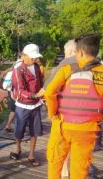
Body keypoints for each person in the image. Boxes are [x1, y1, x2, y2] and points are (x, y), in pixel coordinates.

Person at [45, 34, 103, 178]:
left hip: (62, 125)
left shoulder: (67, 69)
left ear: (81, 52)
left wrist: (52, 114)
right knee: (80, 168)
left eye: (76, 52)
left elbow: (49, 92)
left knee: (55, 163)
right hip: (87, 128)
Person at [43, 39, 77, 178]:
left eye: (65, 52)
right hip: (86, 118)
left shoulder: (65, 66)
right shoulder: (95, 66)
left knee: (58, 149)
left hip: (64, 115)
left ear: (70, 52)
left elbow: (48, 91)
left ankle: (63, 170)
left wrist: (51, 113)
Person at [10, 44, 45, 166]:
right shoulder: (18, 69)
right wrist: (35, 95)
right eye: (32, 57)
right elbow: (20, 91)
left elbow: (40, 84)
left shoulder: (36, 67)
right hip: (22, 106)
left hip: (35, 105)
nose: (35, 59)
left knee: (35, 131)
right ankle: (17, 148)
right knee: (19, 130)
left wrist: (42, 95)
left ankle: (31, 154)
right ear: (24, 56)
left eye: (36, 57)